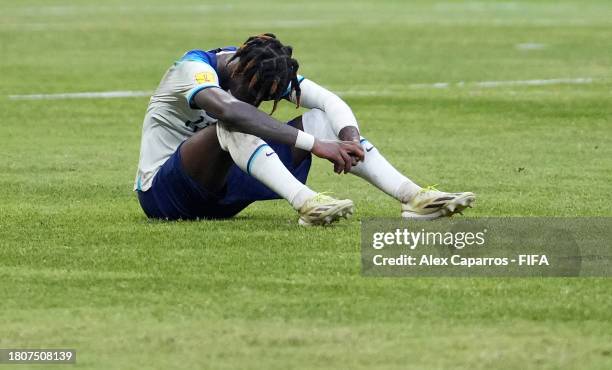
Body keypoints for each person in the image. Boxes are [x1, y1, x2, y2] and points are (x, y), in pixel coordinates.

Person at [134, 33, 475, 226]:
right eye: (253, 92)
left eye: (265, 96)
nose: (256, 99)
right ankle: (308, 204)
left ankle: (413, 198)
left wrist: (348, 139)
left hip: (224, 195)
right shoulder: (192, 69)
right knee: (233, 121)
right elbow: (230, 110)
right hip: (165, 196)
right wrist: (315, 146)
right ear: (235, 67)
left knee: (325, 122)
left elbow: (329, 101)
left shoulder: (262, 71)